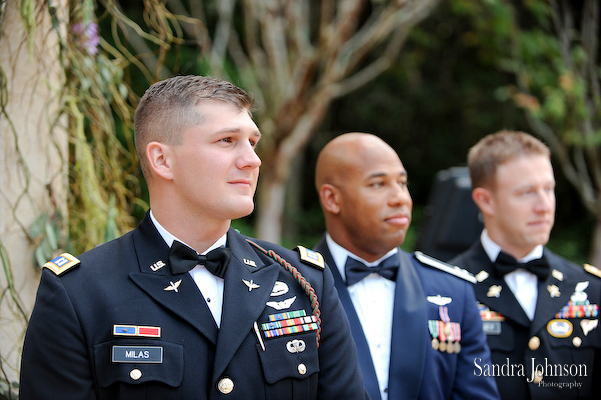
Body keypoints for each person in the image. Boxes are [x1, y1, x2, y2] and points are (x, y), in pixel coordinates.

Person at [19, 75, 369, 400]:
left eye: (252, 142)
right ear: (162, 160)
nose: (252, 160)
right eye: (227, 141)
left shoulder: (303, 281)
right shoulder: (79, 293)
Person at [313, 132, 499, 400]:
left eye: (402, 183)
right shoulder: (287, 287)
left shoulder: (454, 291)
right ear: (332, 199)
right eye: (378, 184)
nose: (400, 198)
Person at [450, 130, 601, 399]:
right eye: (527, 192)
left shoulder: (590, 289)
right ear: (486, 200)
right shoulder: (447, 289)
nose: (544, 206)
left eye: (548, 189)